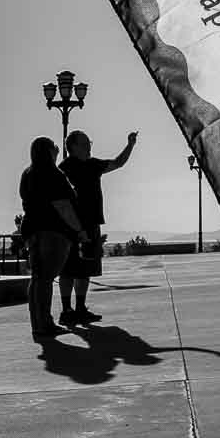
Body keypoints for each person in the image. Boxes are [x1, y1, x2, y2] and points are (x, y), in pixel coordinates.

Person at [60, 130, 136, 323]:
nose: (89, 146)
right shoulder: (64, 168)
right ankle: (66, 310)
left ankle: (80, 308)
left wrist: (130, 145)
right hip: (70, 225)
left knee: (85, 268)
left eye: (89, 142)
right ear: (74, 146)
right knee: (68, 268)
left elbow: (118, 163)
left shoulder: (93, 165)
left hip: (92, 222)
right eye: (86, 143)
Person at [18, 137, 85, 340]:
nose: (57, 151)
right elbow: (63, 205)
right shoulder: (53, 174)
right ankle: (45, 324)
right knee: (45, 279)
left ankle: (38, 324)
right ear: (48, 151)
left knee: (37, 278)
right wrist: (79, 230)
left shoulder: (27, 173)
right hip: (52, 232)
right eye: (55, 148)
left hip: (32, 231)